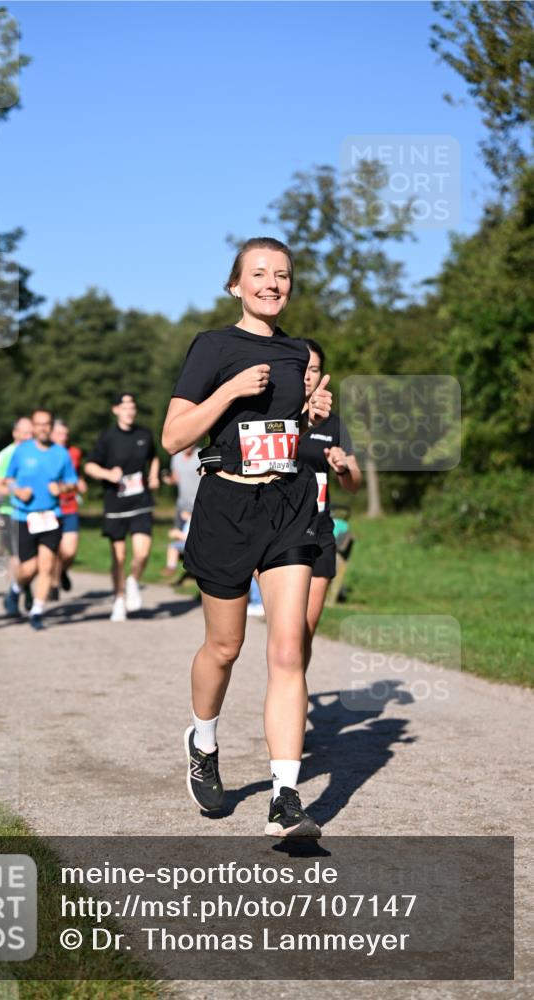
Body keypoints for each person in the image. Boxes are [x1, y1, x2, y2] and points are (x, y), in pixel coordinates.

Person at [162, 237, 332, 839]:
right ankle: (202, 740)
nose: (271, 283)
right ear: (235, 284)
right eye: (258, 273)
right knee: (225, 647)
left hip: (287, 505)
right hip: (226, 504)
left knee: (288, 649)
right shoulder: (212, 347)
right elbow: (173, 436)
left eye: (282, 275)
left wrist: (310, 415)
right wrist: (229, 391)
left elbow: (283, 430)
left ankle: (286, 797)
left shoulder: (294, 353)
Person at [299, 339, 362, 667]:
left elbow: (353, 484)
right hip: (277, 532)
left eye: (314, 369)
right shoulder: (276, 418)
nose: (308, 376)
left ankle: (292, 699)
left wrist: (343, 466)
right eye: (302, 368)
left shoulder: (335, 425)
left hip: (319, 532)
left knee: (304, 631)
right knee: (286, 633)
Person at [85, 393, 160, 622]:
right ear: (115, 410)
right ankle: (119, 600)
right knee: (119, 557)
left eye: (132, 407)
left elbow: (154, 457)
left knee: (143, 551)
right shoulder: (108, 437)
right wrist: (108, 473)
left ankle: (133, 581)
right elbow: (89, 466)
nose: (130, 411)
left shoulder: (144, 434)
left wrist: (154, 476)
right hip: (116, 504)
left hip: (141, 501)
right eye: (125, 407)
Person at [2, 409, 77, 630]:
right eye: (39, 424)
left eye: (47, 424)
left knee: (46, 565)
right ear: (33, 427)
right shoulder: (21, 451)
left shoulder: (61, 453)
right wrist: (17, 491)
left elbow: (73, 482)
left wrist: (61, 488)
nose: (43, 428)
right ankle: (16, 588)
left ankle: (37, 611)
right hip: (24, 516)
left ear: (51, 427)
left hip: (52, 516)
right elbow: (8, 479)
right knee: (29, 567)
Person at [0, 417, 34, 605]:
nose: (27, 436)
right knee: (17, 556)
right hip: (11, 510)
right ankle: (15, 595)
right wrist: (16, 492)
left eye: (30, 432)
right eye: (23, 432)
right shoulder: (5, 455)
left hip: (36, 511)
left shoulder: (38, 453)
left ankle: (25, 587)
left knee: (36, 556)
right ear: (15, 433)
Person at [49, 419, 87, 601]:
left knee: (69, 551)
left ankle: (63, 570)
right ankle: (54, 584)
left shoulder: (74, 452)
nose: (63, 438)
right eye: (59, 434)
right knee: (54, 549)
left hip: (70, 506)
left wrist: (81, 482)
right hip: (50, 508)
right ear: (51, 434)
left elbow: (76, 474)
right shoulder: (45, 453)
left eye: (65, 434)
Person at [161, 443, 200, 577]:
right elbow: (176, 478)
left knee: (196, 539)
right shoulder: (176, 457)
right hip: (182, 505)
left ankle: (197, 571)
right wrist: (168, 480)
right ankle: (175, 567)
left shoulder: (200, 455)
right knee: (180, 537)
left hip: (198, 505)